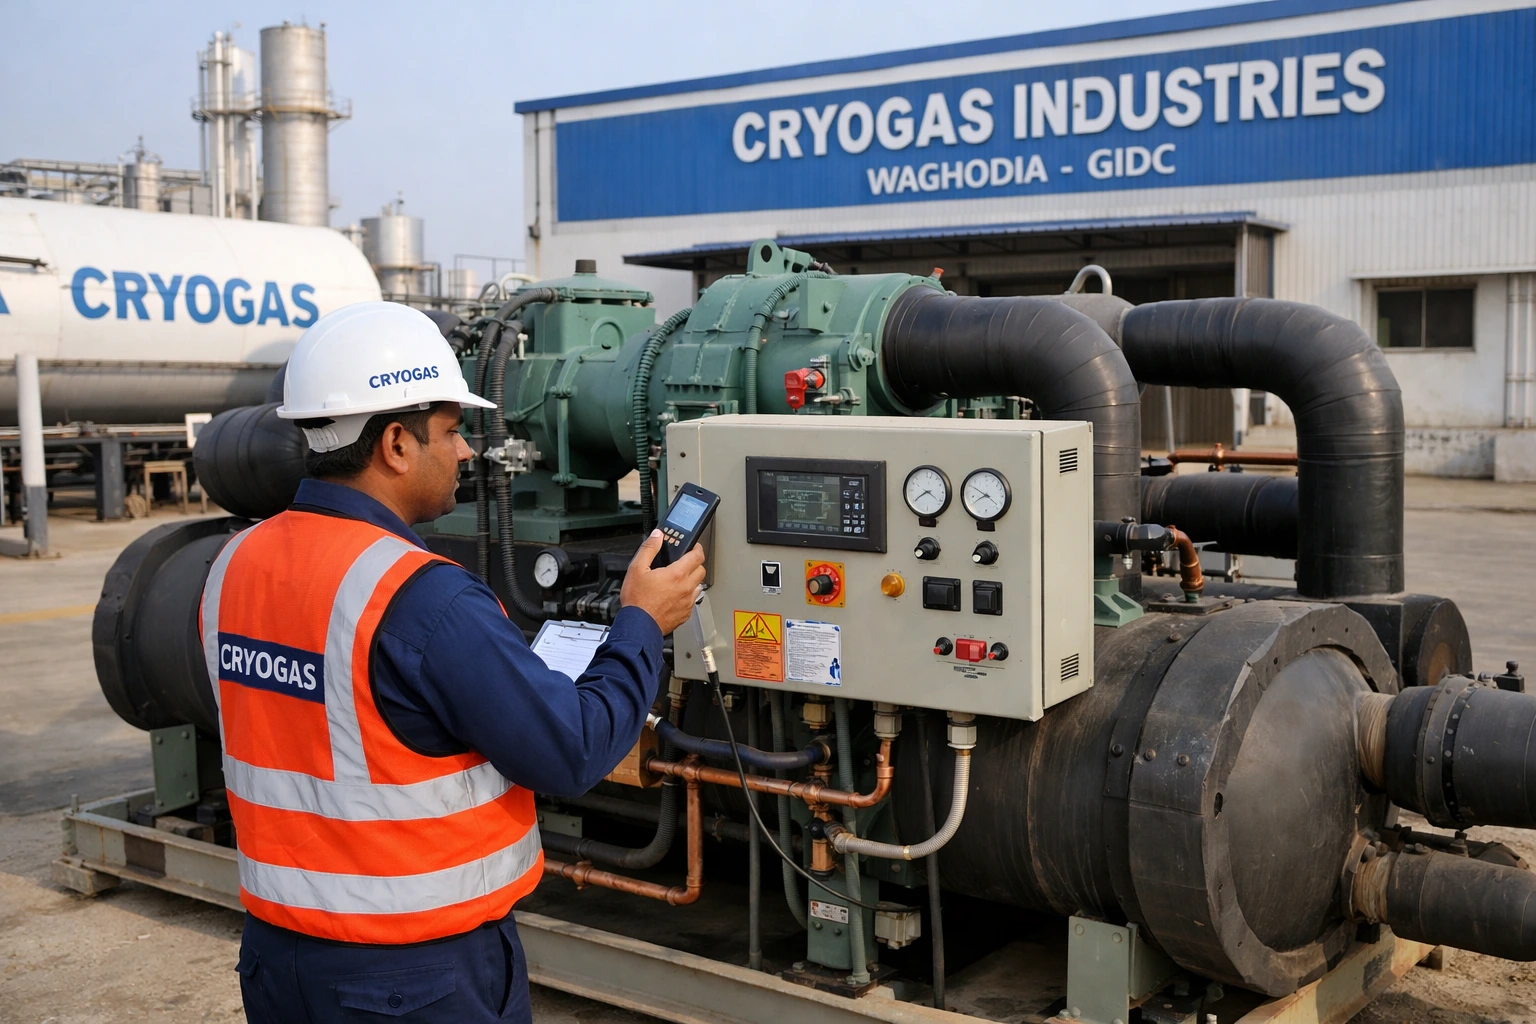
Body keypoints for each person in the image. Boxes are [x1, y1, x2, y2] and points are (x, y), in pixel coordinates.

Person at [200, 301, 705, 1022]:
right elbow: (571, 749)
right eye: (451, 430)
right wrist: (642, 621)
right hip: (413, 977)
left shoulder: (234, 565)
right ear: (395, 445)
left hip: (278, 960)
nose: (467, 451)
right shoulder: (420, 599)